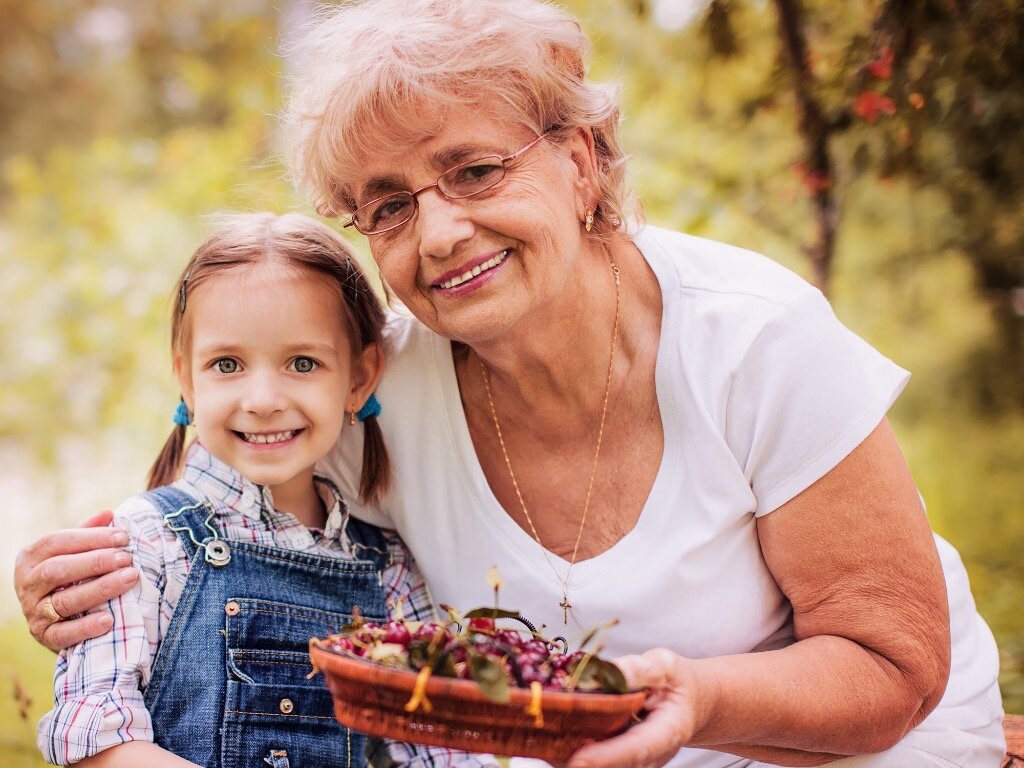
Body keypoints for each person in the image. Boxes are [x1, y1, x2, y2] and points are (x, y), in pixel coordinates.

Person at [15, 1, 1005, 766]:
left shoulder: (756, 342)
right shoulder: (373, 394)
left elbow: (893, 667)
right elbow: (219, 515)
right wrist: (85, 586)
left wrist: (701, 699)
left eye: (476, 170)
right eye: (390, 205)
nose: (440, 232)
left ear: (580, 162)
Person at [33, 212, 490, 768]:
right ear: (186, 378)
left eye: (303, 363)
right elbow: (96, 740)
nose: (263, 398)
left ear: (359, 378)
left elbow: (441, 748)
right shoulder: (143, 543)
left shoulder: (386, 567)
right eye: (227, 364)